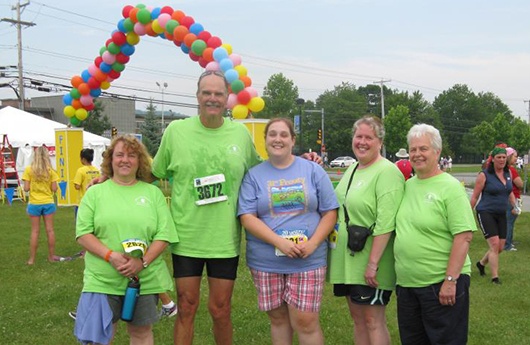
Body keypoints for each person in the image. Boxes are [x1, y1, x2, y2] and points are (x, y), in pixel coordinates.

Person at [150, 70, 321, 345]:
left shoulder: (239, 134)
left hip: (224, 239)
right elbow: (152, 173)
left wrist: (298, 159)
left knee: (220, 310)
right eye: (207, 93)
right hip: (186, 236)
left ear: (227, 98)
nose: (212, 98)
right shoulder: (176, 132)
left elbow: (263, 171)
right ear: (197, 96)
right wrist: (114, 177)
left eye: (218, 93)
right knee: (186, 307)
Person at [238, 118, 339, 345]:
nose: (277, 139)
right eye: (272, 134)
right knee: (278, 319)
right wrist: (280, 242)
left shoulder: (313, 170)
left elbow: (330, 212)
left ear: (293, 140)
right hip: (266, 261)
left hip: (308, 259)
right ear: (264, 140)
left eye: (284, 135)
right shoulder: (254, 176)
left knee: (306, 321)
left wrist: (313, 244)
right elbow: (247, 217)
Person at [74, 135, 179, 345]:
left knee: (141, 333)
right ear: (110, 160)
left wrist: (142, 262)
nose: (125, 160)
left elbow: (164, 234)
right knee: (97, 338)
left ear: (139, 161)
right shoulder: (95, 193)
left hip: (144, 281)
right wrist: (110, 256)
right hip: (102, 280)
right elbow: (83, 234)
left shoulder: (153, 193)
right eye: (119, 155)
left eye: (132, 155)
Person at [394, 124, 477, 345]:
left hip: (440, 284)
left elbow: (464, 236)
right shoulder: (408, 185)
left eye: (423, 149)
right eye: (413, 149)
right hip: (407, 286)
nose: (417, 155)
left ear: (437, 152)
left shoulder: (450, 187)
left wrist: (450, 280)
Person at [327, 115, 404, 345]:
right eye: (358, 136)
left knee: (373, 320)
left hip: (372, 263)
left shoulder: (387, 172)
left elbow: (386, 223)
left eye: (368, 137)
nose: (362, 142)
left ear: (380, 142)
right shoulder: (353, 169)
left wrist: (373, 264)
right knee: (358, 319)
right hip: (348, 260)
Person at [471, 146, 517, 284]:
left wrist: (515, 206)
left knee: (501, 247)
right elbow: (475, 196)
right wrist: (467, 213)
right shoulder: (484, 175)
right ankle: (495, 278)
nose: (502, 160)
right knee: (494, 244)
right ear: (493, 160)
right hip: (486, 212)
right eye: (499, 157)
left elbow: (509, 191)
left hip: (501, 213)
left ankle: (481, 263)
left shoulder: (508, 173)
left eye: (504, 157)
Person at [21, 145, 61, 265]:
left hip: (34, 203)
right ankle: (51, 256)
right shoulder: (51, 171)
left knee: (35, 232)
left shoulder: (29, 170)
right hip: (48, 202)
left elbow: (26, 188)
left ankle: (31, 259)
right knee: (50, 230)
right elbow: (54, 189)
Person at [504, 147, 523, 251]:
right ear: (509, 156)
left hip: (508, 197)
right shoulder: (511, 169)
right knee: (509, 221)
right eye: (515, 156)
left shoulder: (505, 169)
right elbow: (519, 183)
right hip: (513, 197)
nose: (516, 158)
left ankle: (509, 241)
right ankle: (507, 244)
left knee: (509, 220)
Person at [73, 148, 101, 218]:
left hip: (82, 202)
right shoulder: (97, 170)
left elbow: (77, 186)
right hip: (94, 201)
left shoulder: (81, 171)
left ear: (83, 159)